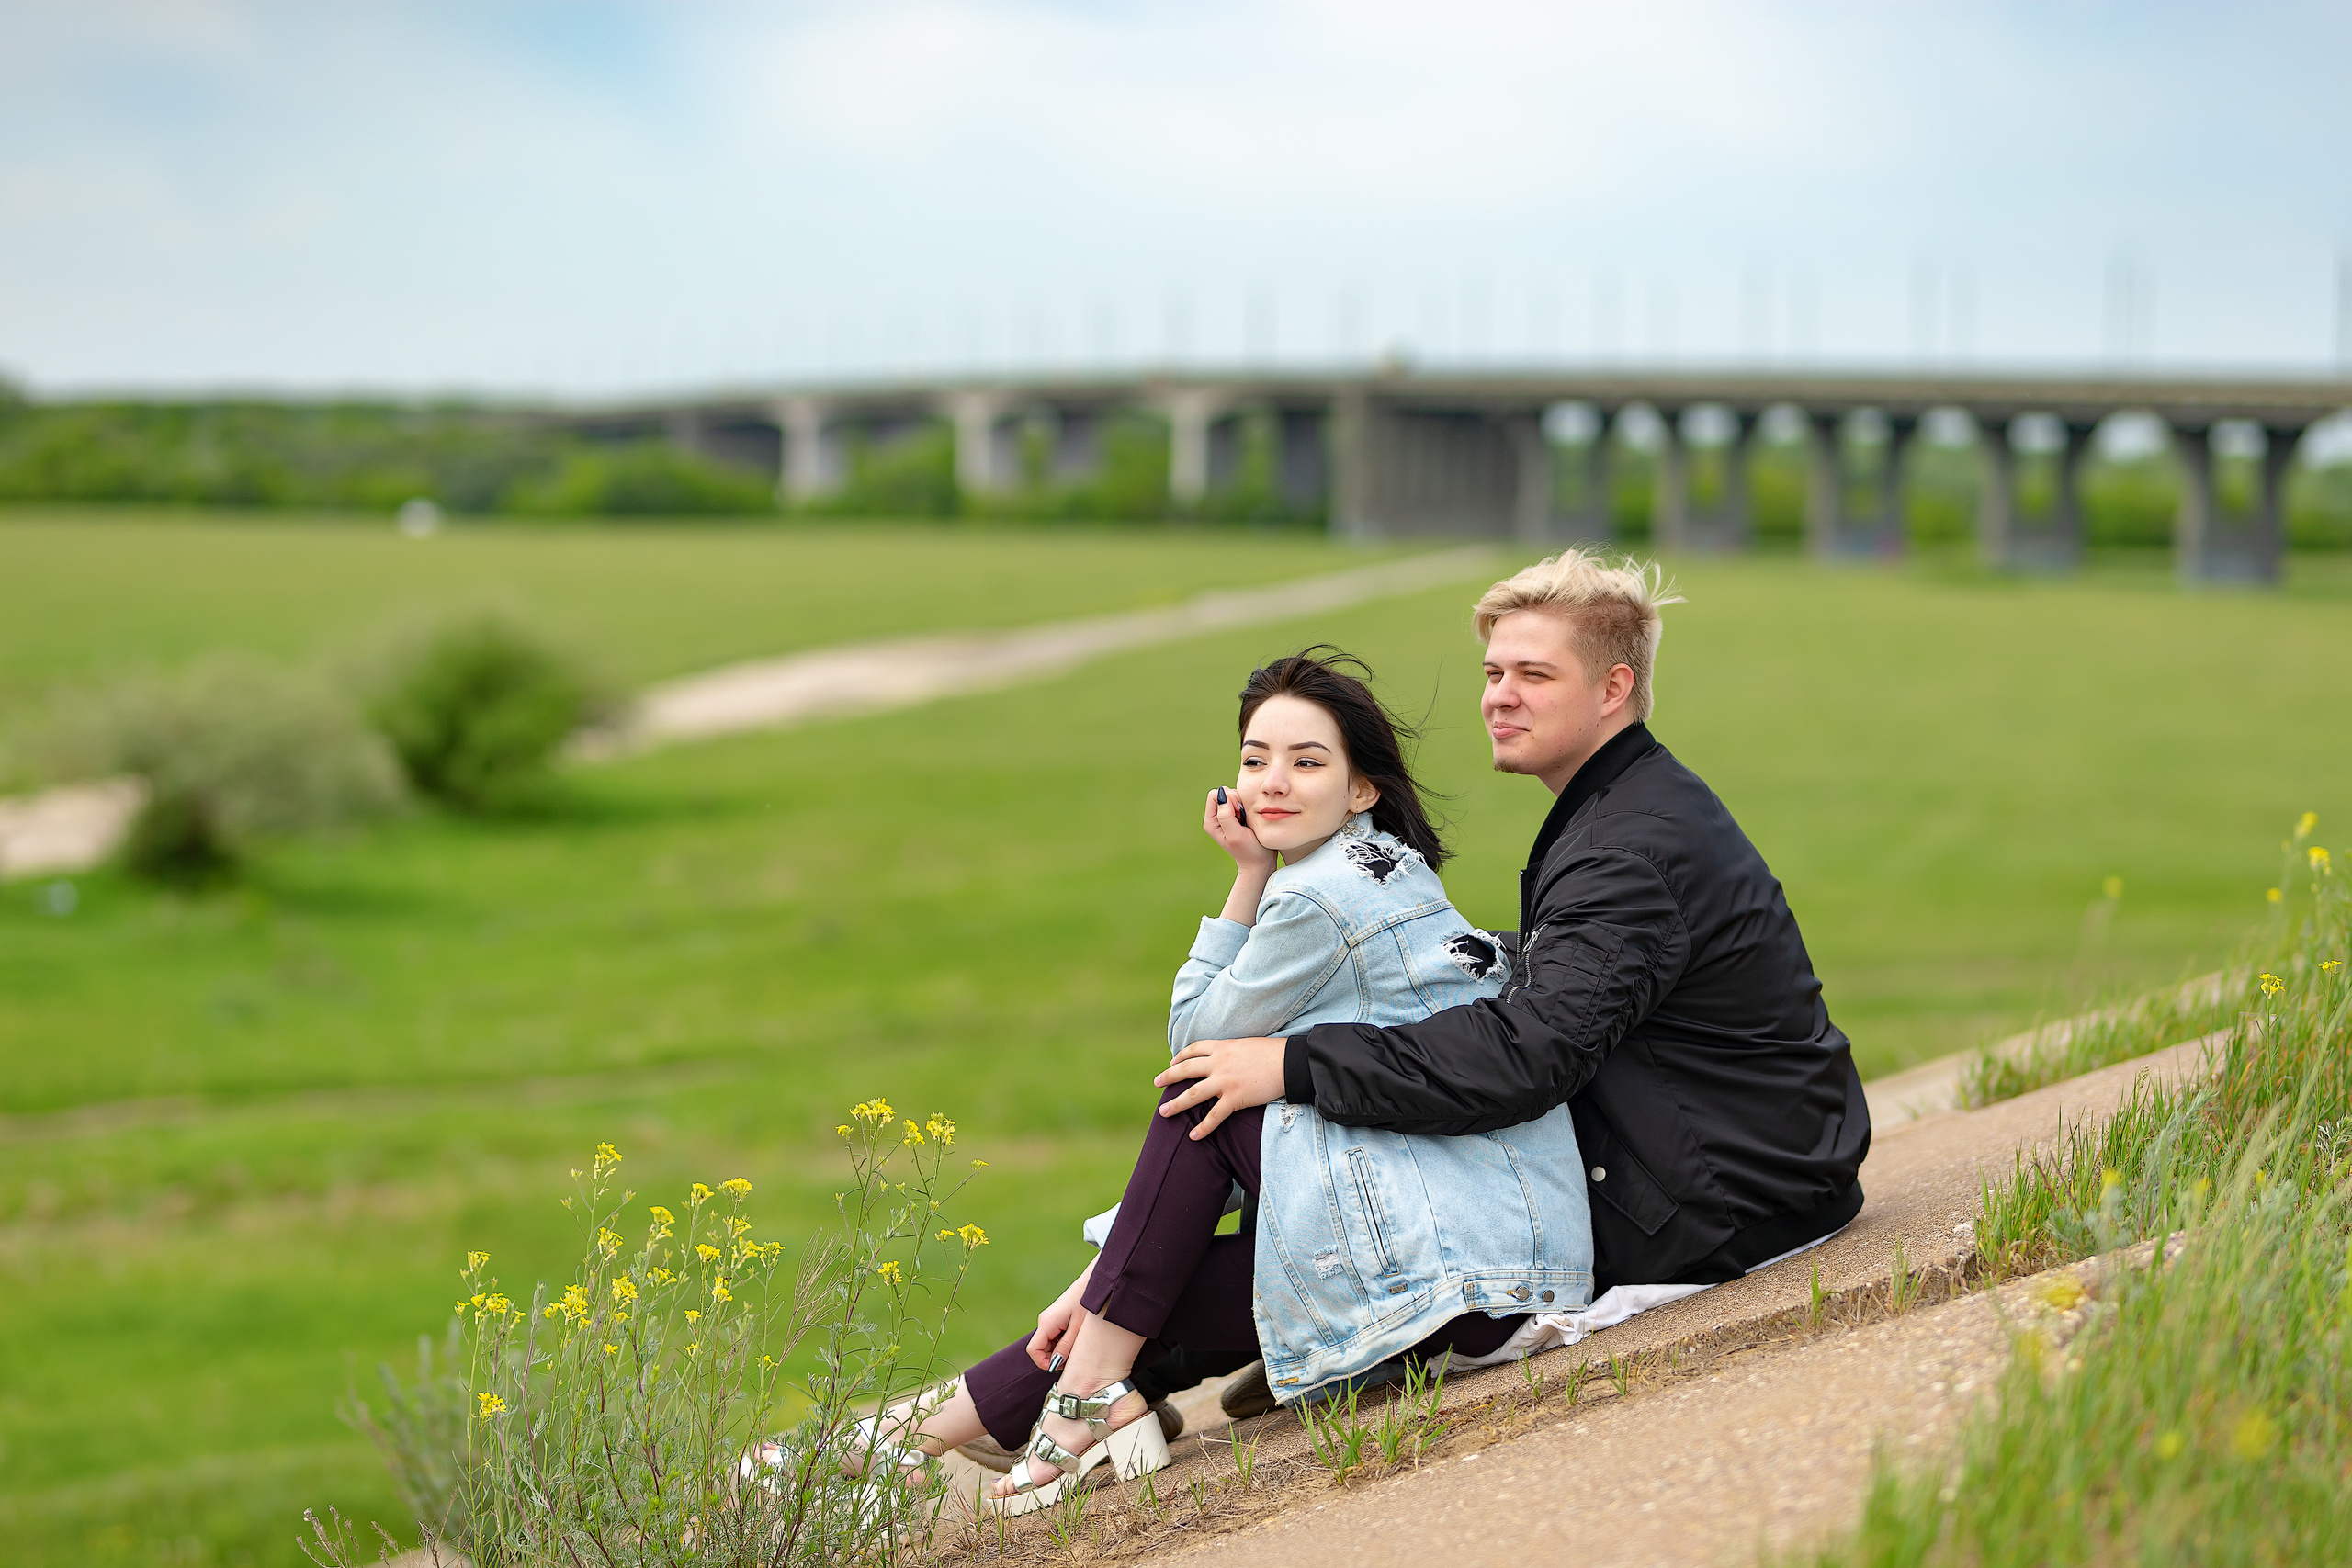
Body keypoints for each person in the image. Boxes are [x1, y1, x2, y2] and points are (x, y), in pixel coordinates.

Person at [842, 650, 1590, 1515]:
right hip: (1505, 1260)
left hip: (1462, 1265)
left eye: (1307, 762)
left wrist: (1246, 879)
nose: (1272, 782)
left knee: (1198, 1095)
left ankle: (959, 1427)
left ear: (1360, 789)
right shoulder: (1384, 864)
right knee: (1154, 1288)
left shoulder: (1318, 895)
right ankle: (944, 1428)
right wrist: (1104, 1280)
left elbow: (1192, 1036)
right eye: (1254, 758)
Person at [1159, 550, 1871, 1296]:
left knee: (1278, 1139)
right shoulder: (1629, 804)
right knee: (1301, 1168)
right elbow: (1572, 967)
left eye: (1534, 675)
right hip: (1749, 1170)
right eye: (1494, 674)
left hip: (1720, 1208)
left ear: (1613, 689)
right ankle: (1122, 1347)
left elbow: (1527, 1056)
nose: (1500, 697)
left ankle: (1106, 1365)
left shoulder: (1625, 850)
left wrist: (1294, 1063)